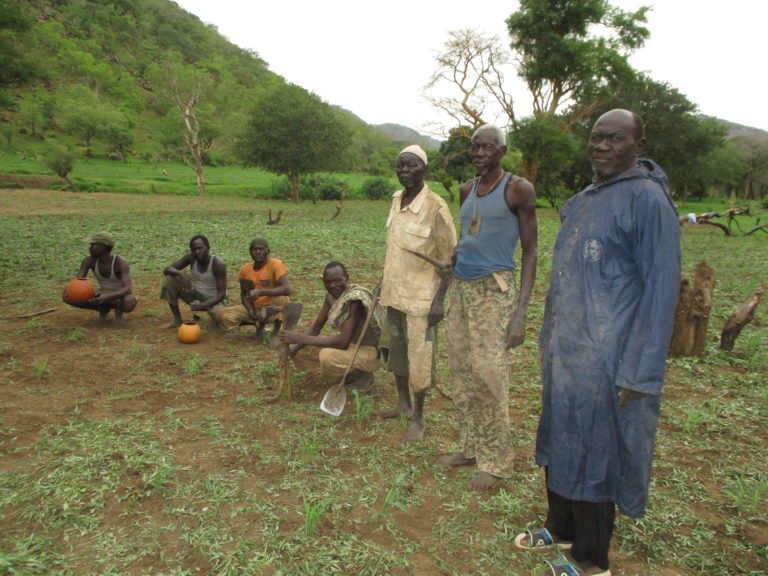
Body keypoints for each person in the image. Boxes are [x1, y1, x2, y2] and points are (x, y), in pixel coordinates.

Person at [514, 109, 681, 576]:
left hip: (610, 358)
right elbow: (566, 277)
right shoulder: (584, 199)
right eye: (596, 137)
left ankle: (590, 558)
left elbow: (661, 289)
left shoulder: (648, 201)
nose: (602, 146)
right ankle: (559, 525)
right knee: (558, 439)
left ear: (638, 146)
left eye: (616, 139)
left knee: (595, 454)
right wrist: (548, 337)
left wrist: (640, 372)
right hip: (568, 352)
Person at [434, 125, 538, 491]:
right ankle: (470, 448)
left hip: (493, 292)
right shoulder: (467, 190)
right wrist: (450, 267)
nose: (479, 153)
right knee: (461, 371)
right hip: (462, 290)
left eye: (487, 148)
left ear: (502, 151)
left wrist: (521, 312)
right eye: (475, 147)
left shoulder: (517, 189)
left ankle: (497, 462)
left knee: (489, 373)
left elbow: (530, 251)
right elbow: (467, 239)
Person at [378, 144, 457, 443]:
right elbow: (395, 247)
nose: (405, 172)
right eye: (400, 166)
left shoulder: (436, 207)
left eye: (412, 166)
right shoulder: (396, 199)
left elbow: (449, 260)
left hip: (422, 300)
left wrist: (439, 301)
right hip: (394, 294)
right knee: (397, 354)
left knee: (420, 359)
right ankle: (402, 404)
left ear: (424, 169)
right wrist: (382, 280)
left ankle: (419, 417)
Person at [279, 261, 382, 392]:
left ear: (347, 278)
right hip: (352, 346)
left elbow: (343, 342)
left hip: (369, 352)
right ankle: (352, 372)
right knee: (312, 347)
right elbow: (316, 328)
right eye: (328, 282)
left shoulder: (354, 300)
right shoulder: (331, 297)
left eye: (338, 280)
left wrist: (299, 338)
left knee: (327, 357)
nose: (333, 285)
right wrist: (293, 350)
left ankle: (362, 376)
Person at [218, 237, 292, 339]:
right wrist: (250, 310)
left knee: (282, 298)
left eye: (261, 249)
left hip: (273, 308)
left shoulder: (276, 264)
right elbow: (243, 294)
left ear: (268, 251)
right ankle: (257, 324)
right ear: (250, 252)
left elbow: (287, 289)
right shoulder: (245, 269)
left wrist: (261, 292)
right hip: (256, 308)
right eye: (254, 249)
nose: (257, 252)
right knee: (224, 315)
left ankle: (276, 329)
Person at [62, 231, 138, 320]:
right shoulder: (88, 261)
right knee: (70, 298)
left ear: (102, 247)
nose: (90, 248)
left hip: (118, 295)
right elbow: (78, 281)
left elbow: (128, 289)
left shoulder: (120, 262)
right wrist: (71, 293)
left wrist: (107, 296)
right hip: (102, 293)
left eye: (93, 245)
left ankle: (115, 309)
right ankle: (105, 307)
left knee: (128, 301)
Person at [159, 234, 228, 328]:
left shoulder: (217, 263)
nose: (197, 252)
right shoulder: (191, 258)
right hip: (195, 295)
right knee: (170, 280)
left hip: (214, 299)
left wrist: (202, 305)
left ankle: (214, 319)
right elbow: (167, 269)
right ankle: (177, 319)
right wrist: (181, 274)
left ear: (208, 247)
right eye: (194, 249)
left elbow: (221, 294)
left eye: (200, 248)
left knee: (223, 318)